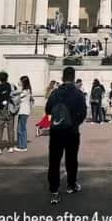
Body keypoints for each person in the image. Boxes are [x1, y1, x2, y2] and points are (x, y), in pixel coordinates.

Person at [45, 66, 88, 205]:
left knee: (54, 160)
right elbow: (83, 113)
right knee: (71, 160)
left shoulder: (55, 93)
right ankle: (71, 185)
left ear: (62, 77)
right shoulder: (78, 94)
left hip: (56, 131)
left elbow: (48, 110)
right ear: (74, 78)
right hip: (72, 131)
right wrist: (75, 123)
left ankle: (54, 189)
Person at [0, 72, 16, 154]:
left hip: (1, 110)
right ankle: (11, 147)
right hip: (10, 109)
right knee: (11, 129)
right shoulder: (10, 86)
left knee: (0, 129)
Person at [14, 76, 34, 152]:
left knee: (21, 129)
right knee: (20, 128)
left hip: (24, 111)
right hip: (22, 111)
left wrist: (19, 87)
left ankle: (23, 146)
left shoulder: (26, 90)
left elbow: (18, 97)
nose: (19, 82)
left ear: (23, 82)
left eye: (20, 81)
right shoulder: (25, 90)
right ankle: (20, 145)